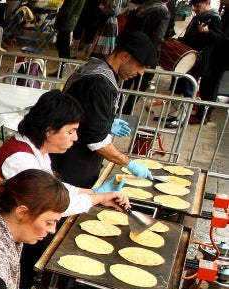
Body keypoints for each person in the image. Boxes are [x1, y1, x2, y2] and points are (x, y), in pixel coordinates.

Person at [0, 89, 129, 289]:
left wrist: (93, 193)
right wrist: (98, 197)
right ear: (50, 130)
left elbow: (55, 187)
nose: (75, 138)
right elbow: (53, 202)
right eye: (70, 131)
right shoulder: (20, 159)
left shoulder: (37, 151)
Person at [51, 31, 159, 188]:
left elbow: (86, 113)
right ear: (124, 56)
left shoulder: (98, 70)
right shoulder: (98, 84)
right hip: (72, 163)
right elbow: (96, 140)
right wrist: (129, 163)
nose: (141, 72)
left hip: (75, 159)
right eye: (141, 65)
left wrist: (107, 122)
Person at [120, 0, 170, 115]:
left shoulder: (146, 5)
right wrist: (150, 57)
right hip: (145, 52)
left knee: (127, 81)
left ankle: (118, 108)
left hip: (133, 48)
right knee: (140, 85)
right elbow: (158, 37)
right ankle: (126, 111)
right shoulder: (163, 11)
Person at [179, 0, 223, 124]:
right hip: (193, 57)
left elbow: (218, 39)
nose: (195, 9)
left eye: (198, 6)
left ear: (207, 3)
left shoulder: (214, 18)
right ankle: (185, 115)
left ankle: (195, 116)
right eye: (194, 7)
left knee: (193, 88)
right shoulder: (203, 16)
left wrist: (207, 33)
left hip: (200, 60)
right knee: (189, 87)